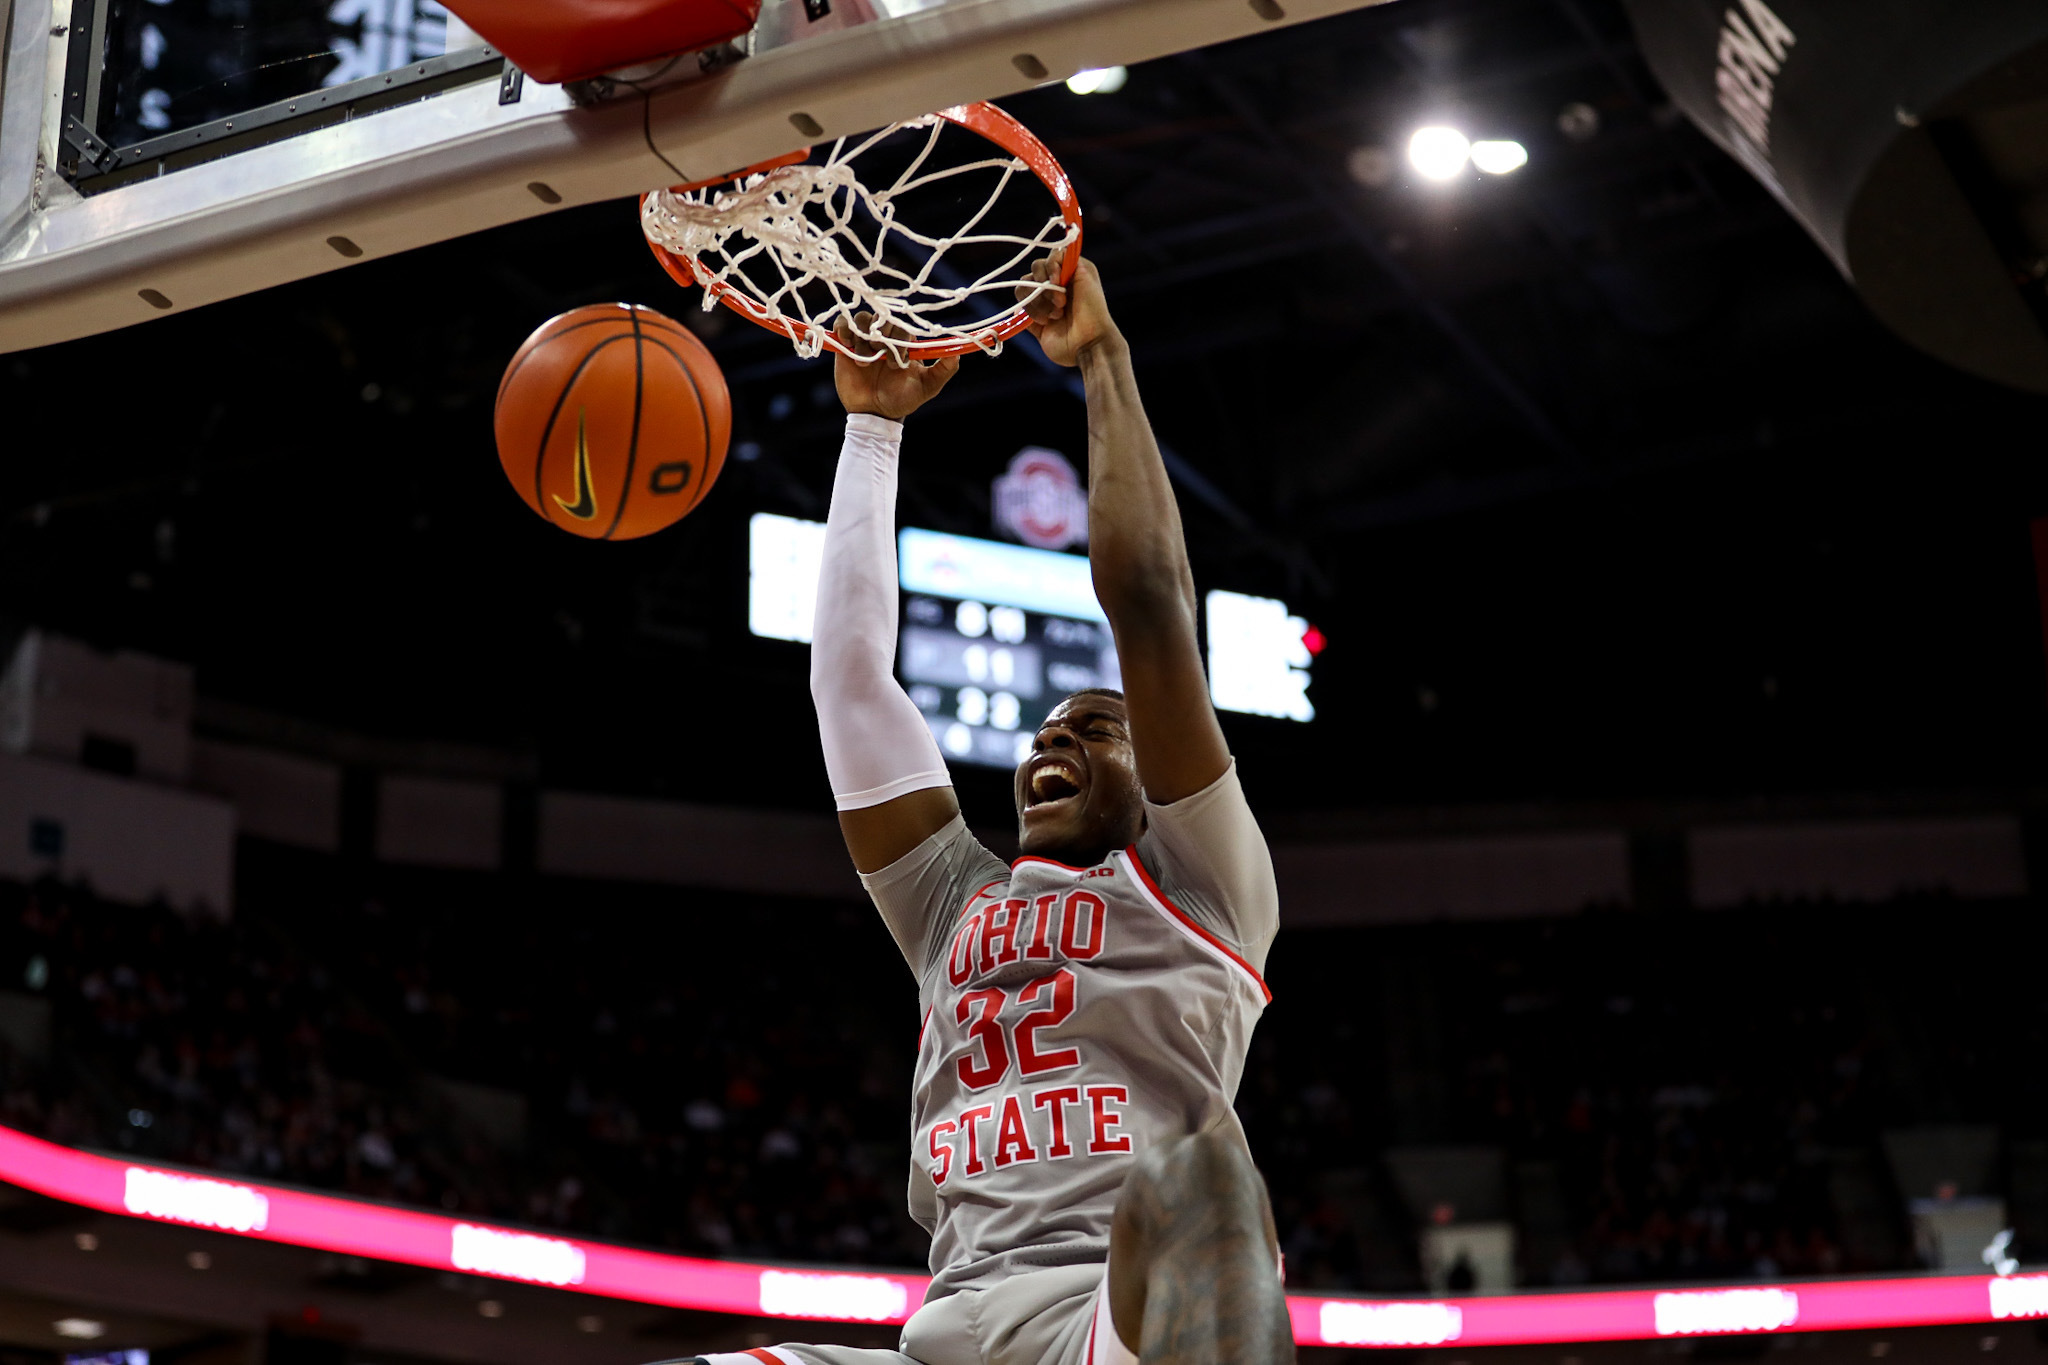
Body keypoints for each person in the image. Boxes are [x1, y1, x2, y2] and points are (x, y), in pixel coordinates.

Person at [684, 257, 1291, 1365]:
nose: (1051, 738)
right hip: (944, 1331)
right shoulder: (953, 901)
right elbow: (853, 687)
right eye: (1044, 730)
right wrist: (870, 433)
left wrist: (1101, 361)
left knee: (1207, 1180)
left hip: (1102, 1322)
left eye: (1092, 727)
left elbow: (1149, 607)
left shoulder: (1202, 878)